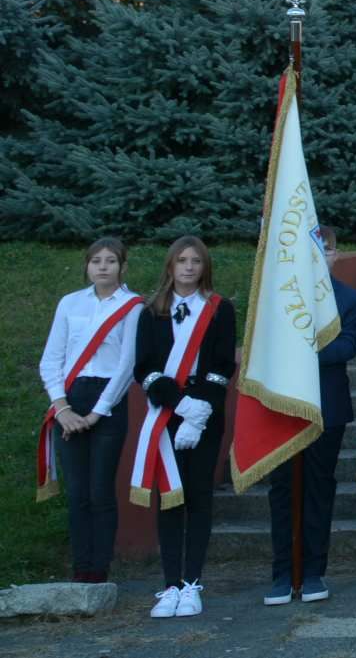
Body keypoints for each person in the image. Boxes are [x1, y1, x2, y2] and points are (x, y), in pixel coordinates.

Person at [134, 237, 237, 619]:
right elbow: (143, 367)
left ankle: (192, 584)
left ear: (204, 266)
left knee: (198, 495)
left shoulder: (220, 309)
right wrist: (180, 406)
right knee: (170, 498)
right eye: (182, 260)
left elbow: (224, 364)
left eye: (196, 261)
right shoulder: (150, 312)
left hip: (206, 411)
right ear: (170, 266)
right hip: (167, 410)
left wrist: (200, 411)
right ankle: (170, 586)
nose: (189, 267)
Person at [265, 228, 356, 605]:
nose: (320, 255)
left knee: (319, 487)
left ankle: (312, 571)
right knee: (282, 489)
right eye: (312, 249)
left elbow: (345, 347)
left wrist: (299, 352)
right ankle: (280, 572)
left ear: (336, 255)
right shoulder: (277, 295)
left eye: (327, 249)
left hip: (328, 405)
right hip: (284, 403)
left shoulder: (349, 299)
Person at [38, 237, 143, 585]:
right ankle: (81, 570)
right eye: (96, 260)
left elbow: (127, 365)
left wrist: (96, 414)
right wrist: (63, 408)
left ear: (123, 267)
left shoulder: (132, 307)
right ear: (86, 266)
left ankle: (100, 571)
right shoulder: (70, 304)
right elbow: (52, 359)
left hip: (108, 402)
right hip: (71, 397)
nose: (102, 266)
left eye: (110, 261)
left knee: (100, 490)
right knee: (78, 493)